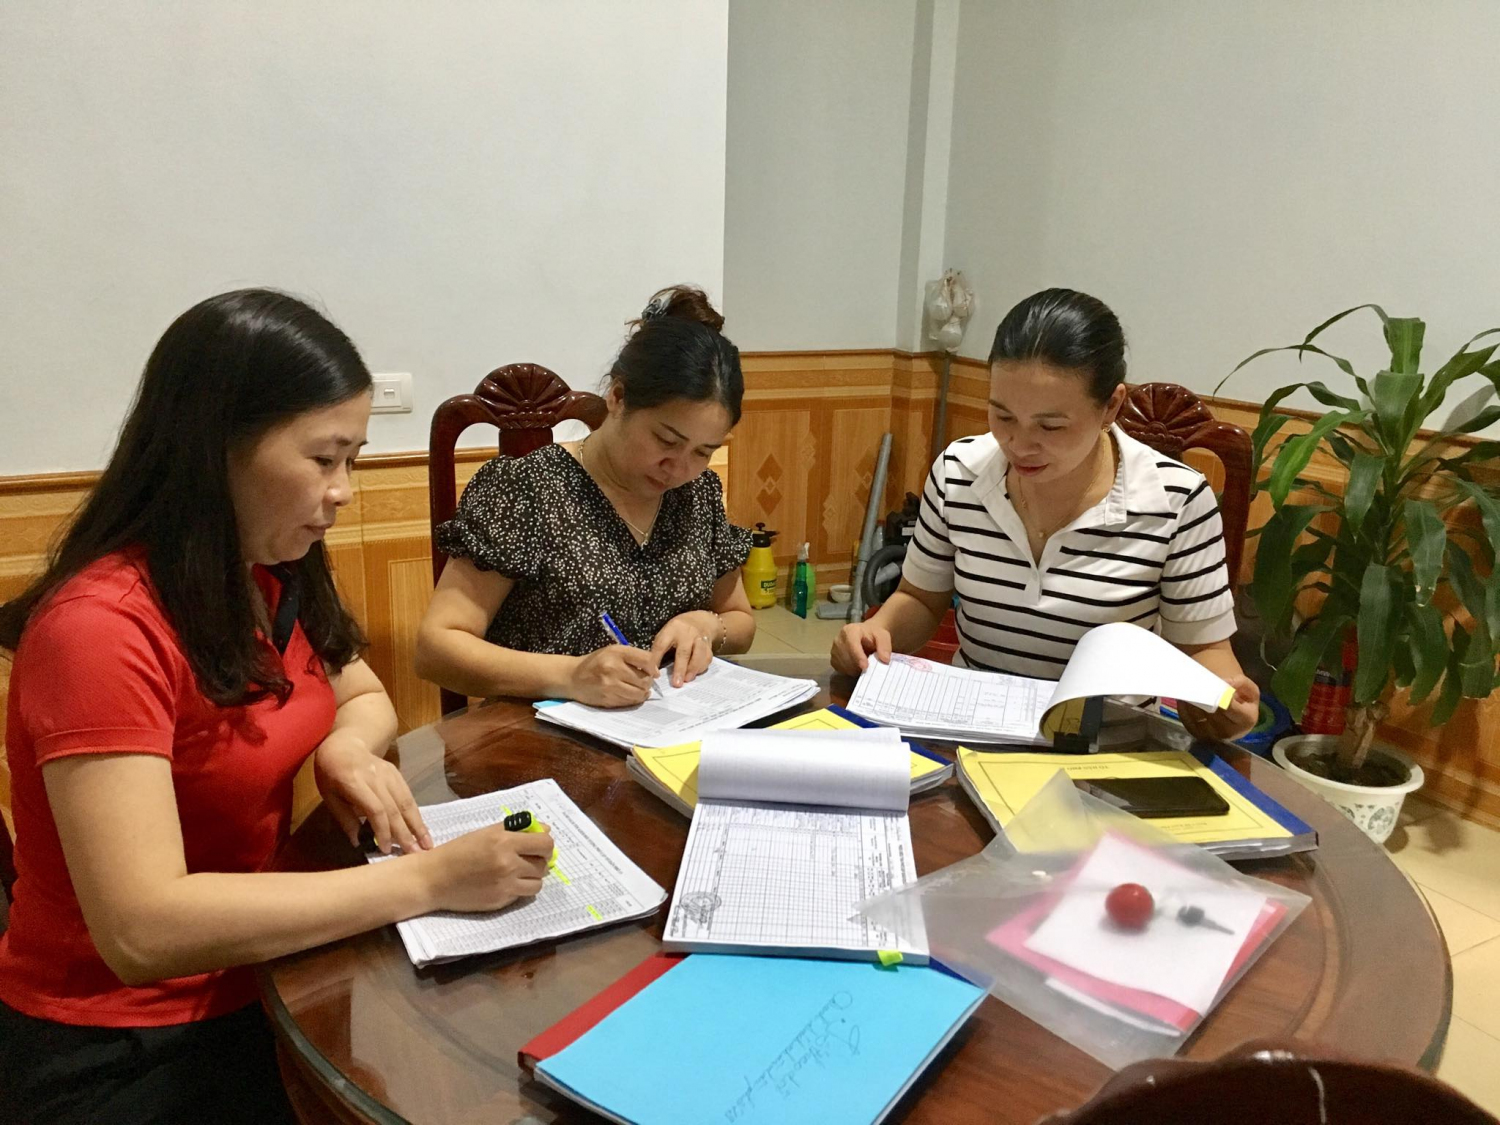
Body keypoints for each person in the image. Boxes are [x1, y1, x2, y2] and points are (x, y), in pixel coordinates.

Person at [0, 290, 554, 1124]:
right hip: (123, 1042)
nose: (344, 492)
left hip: (265, 973)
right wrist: (427, 880)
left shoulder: (267, 567)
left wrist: (346, 749)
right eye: (324, 458)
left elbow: (360, 692)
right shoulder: (100, 629)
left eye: (354, 460)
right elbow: (142, 928)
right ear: (217, 448)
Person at [831, 288, 1260, 742]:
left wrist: (1223, 699)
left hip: (1109, 746)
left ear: (1111, 406)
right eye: (1003, 416)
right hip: (974, 732)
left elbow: (1204, 649)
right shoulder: (959, 472)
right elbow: (920, 600)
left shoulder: (1177, 500)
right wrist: (874, 633)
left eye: (1050, 426)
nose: (1019, 445)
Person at [416, 285, 756, 708]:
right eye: (666, 440)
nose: (679, 469)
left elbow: (740, 621)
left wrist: (705, 625)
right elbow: (436, 649)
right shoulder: (527, 488)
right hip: (536, 728)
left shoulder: (697, 494)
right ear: (617, 397)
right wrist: (571, 676)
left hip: (668, 724)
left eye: (704, 452)